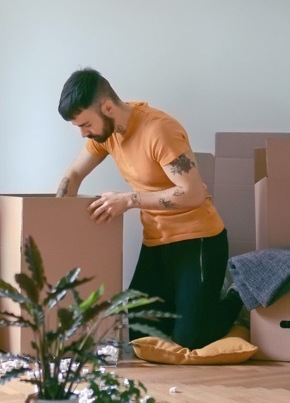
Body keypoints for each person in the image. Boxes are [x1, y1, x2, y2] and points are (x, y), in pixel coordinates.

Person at [55, 68, 242, 350]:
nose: (83, 134)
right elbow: (73, 176)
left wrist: (129, 200)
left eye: (85, 124)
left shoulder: (159, 130)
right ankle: (194, 304)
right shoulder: (106, 134)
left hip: (199, 240)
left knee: (189, 340)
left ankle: (235, 297)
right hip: (156, 243)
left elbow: (191, 194)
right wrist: (53, 223)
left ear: (106, 107)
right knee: (142, 336)